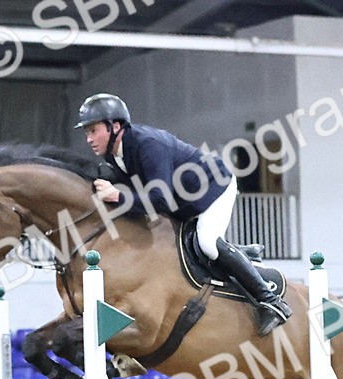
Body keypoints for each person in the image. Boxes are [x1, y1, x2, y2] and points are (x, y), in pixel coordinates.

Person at [76, 93, 292, 336]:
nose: (89, 139)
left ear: (115, 126)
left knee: (208, 243)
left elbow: (158, 198)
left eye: (94, 131)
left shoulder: (148, 144)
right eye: (87, 133)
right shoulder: (114, 154)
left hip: (213, 189)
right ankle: (241, 253)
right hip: (182, 201)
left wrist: (118, 196)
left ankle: (271, 301)